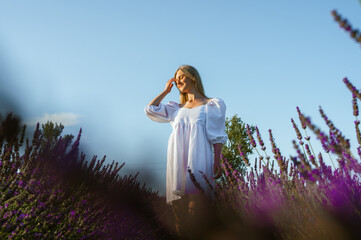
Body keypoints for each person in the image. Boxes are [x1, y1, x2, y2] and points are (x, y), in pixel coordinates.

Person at [144, 65, 228, 238]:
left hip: (199, 162)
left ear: (193, 78)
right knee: (179, 219)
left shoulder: (211, 105)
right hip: (177, 164)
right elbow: (150, 110)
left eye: (182, 76)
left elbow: (217, 136)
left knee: (195, 214)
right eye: (176, 78)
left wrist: (217, 161)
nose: (178, 80)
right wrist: (166, 91)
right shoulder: (176, 108)